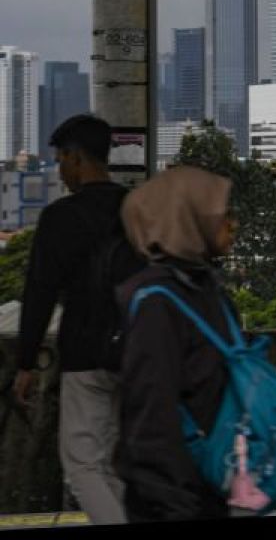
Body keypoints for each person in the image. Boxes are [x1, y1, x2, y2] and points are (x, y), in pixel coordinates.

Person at [13, 115, 130, 525]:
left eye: (61, 160)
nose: (60, 170)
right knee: (113, 466)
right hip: (136, 354)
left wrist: (25, 362)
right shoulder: (135, 207)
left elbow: (39, 293)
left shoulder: (61, 217)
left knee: (82, 467)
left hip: (84, 355)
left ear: (76, 158)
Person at [114, 166, 239, 522]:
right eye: (223, 214)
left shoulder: (203, 286)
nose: (234, 224)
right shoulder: (157, 300)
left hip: (208, 481)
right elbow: (151, 411)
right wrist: (174, 500)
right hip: (173, 496)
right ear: (187, 217)